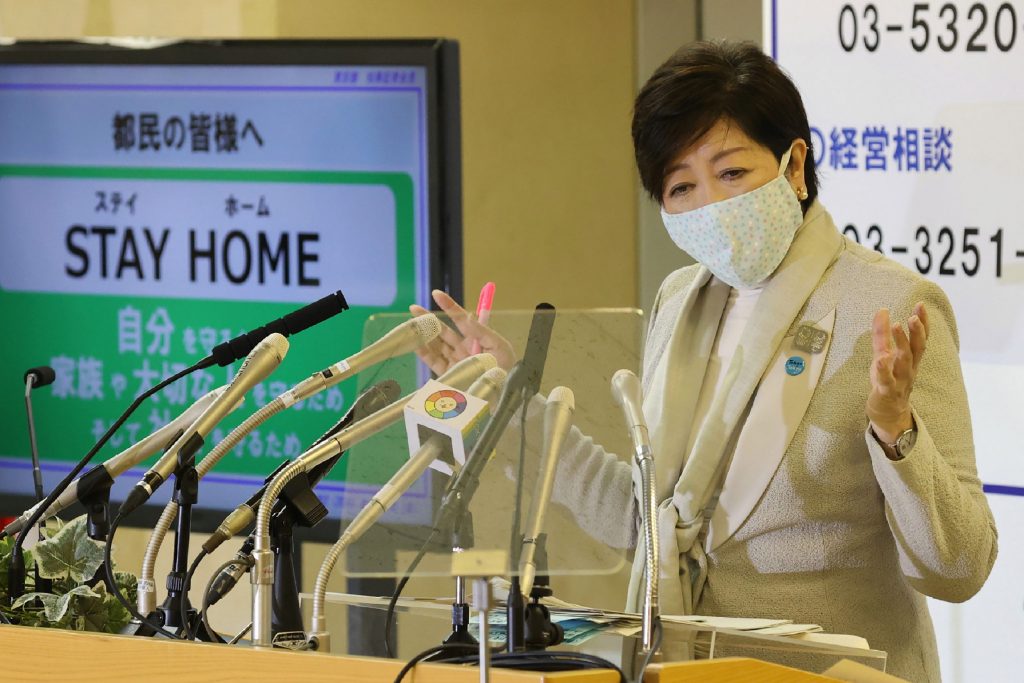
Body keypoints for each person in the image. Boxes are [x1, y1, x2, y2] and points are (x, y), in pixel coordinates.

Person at [411, 41, 996, 682]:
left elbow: (959, 565)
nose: (710, 205)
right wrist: (510, 397)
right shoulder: (680, 302)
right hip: (685, 670)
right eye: (681, 186)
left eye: (733, 173)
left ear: (795, 165)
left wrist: (896, 434)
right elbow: (647, 522)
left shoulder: (889, 305)